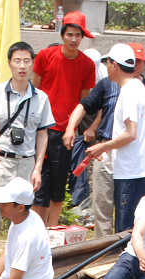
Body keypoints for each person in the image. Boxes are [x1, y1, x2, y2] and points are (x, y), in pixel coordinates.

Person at [0, 41, 52, 265]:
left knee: (22, 216)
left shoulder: (41, 98)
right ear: (9, 63)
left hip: (26, 163)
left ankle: (15, 264)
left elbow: (42, 134)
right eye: (17, 61)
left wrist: (38, 168)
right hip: (1, 162)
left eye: (26, 61)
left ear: (32, 64)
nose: (22, 66)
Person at [31, 12, 96, 228]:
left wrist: (74, 127)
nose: (73, 39)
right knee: (38, 183)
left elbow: (85, 101)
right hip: (42, 129)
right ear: (62, 35)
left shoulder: (87, 64)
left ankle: (52, 230)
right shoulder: (45, 56)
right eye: (70, 34)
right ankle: (35, 229)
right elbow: (36, 89)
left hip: (66, 132)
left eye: (78, 35)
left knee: (58, 188)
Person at [83, 44, 145, 234]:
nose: (106, 68)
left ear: (114, 65)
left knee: (125, 230)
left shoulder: (129, 92)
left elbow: (131, 133)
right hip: (138, 169)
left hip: (131, 171)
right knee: (132, 227)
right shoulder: (140, 89)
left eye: (107, 63)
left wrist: (102, 147)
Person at [64, 61, 119, 237]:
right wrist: (71, 127)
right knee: (102, 207)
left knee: (126, 210)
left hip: (127, 154)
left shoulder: (144, 89)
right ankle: (102, 250)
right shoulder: (107, 85)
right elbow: (87, 105)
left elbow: (135, 132)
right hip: (104, 148)